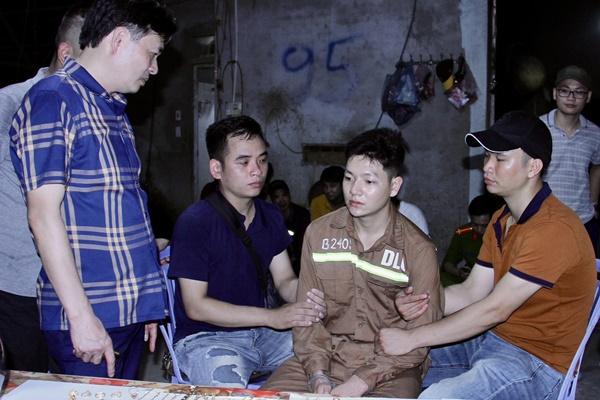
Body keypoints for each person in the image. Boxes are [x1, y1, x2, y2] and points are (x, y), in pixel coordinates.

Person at [9, 0, 177, 379]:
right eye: (152, 54)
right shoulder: (54, 100)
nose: (154, 68)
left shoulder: (112, 109)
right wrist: (80, 317)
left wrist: (145, 302)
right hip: (91, 315)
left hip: (126, 310)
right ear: (118, 40)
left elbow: (124, 212)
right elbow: (43, 216)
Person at [381, 111, 596, 399]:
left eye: (500, 159)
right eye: (486, 156)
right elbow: (471, 292)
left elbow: (495, 309)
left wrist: (413, 337)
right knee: (386, 363)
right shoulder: (502, 218)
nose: (487, 166)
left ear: (533, 167)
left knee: (438, 397)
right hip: (491, 338)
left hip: (537, 363)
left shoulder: (554, 229)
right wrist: (420, 302)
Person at [262, 128, 442, 398]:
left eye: (369, 181)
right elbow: (307, 315)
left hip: (392, 367)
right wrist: (317, 374)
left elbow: (421, 334)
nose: (354, 190)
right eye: (348, 178)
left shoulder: (418, 249)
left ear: (394, 186)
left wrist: (361, 381)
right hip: (325, 357)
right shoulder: (318, 234)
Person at [168, 115, 326, 388]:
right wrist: (273, 317)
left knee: (334, 351)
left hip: (262, 334)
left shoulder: (270, 215)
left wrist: (312, 296)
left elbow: (285, 281)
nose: (257, 171)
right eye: (244, 162)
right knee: (226, 389)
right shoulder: (195, 222)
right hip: (206, 338)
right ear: (216, 169)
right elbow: (196, 306)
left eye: (262, 160)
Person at [0, 4, 87, 373]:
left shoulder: (90, 111)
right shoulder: (9, 104)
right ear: (66, 54)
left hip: (71, 279)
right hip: (16, 283)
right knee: (24, 381)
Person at [540, 65, 600, 250]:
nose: (571, 97)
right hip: (543, 219)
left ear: (588, 96)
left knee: (582, 269)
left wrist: (593, 202)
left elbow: (597, 166)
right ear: (555, 93)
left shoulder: (595, 134)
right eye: (564, 90)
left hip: (582, 221)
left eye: (579, 92)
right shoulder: (537, 127)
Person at [440, 194, 498, 286]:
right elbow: (448, 263)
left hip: (495, 279)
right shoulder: (463, 232)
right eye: (475, 225)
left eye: (484, 226)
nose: (479, 230)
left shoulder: (501, 234)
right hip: (470, 277)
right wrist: (459, 273)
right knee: (440, 279)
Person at [268, 179, 311, 276]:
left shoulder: (302, 214)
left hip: (302, 262)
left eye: (284, 195)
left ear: (289, 195)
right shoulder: (270, 218)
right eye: (277, 197)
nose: (282, 200)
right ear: (272, 200)